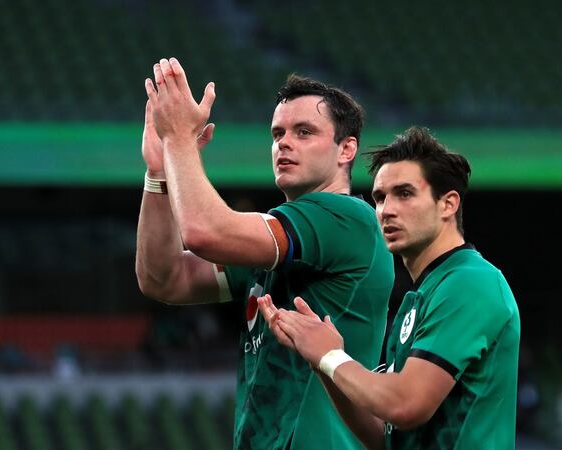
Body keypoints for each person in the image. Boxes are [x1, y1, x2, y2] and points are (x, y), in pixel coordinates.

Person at [135, 57, 393, 450]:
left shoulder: (346, 218)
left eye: (304, 132)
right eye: (278, 133)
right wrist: (158, 174)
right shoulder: (277, 241)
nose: (284, 143)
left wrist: (181, 141)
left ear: (346, 150)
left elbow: (203, 232)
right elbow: (165, 279)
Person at [258, 126, 521, 449]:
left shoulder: (470, 283)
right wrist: (323, 363)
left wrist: (331, 355)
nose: (386, 210)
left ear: (448, 204)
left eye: (405, 193)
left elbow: (407, 405)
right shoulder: (422, 295)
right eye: (380, 197)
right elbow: (383, 434)